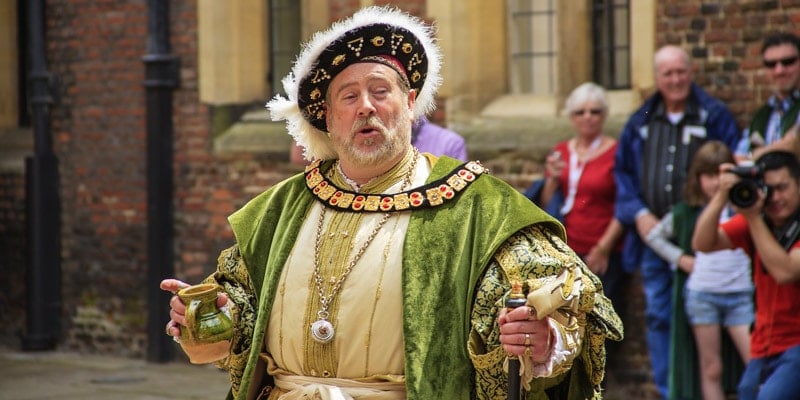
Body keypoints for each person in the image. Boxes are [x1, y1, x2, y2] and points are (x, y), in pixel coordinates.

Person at [161, 6, 623, 400]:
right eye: (349, 96)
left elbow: (569, 301)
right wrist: (206, 317)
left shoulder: (474, 205)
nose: (366, 106)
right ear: (327, 117)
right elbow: (239, 315)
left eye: (380, 91)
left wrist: (543, 340)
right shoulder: (281, 209)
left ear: (410, 103)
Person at [614, 45, 740, 398]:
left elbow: (732, 163)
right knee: (658, 315)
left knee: (705, 316)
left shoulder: (712, 115)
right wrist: (638, 213)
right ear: (657, 78)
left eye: (680, 71)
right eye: (667, 73)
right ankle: (672, 392)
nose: (675, 79)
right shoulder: (641, 119)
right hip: (654, 237)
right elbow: (622, 172)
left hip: (705, 234)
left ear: (691, 72)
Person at [644, 141, 752, 400]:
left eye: (720, 174)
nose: (715, 182)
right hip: (703, 296)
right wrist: (681, 259)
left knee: (755, 362)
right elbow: (654, 236)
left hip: (741, 295)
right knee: (711, 367)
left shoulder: (743, 206)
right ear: (697, 178)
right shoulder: (687, 212)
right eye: (709, 175)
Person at [692, 150, 800, 400]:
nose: (775, 198)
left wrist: (752, 218)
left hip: (796, 345)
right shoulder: (759, 220)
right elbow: (702, 242)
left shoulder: (757, 221)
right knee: (747, 394)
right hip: (764, 345)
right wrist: (721, 195)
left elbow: (785, 272)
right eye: (768, 189)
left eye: (782, 188)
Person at [526, 82, 625, 309]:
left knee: (600, 313)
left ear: (605, 115)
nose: (587, 117)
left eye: (595, 111)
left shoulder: (617, 152)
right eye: (580, 112)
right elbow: (545, 202)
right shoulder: (561, 150)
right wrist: (552, 178)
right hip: (567, 247)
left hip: (601, 247)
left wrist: (603, 248)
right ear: (572, 117)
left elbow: (624, 205)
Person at [292, 115, 467, 164]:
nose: (367, 106)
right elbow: (299, 159)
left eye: (381, 92)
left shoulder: (449, 142)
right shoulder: (347, 137)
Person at [735, 32, 800, 162]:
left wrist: (758, 154)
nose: (779, 71)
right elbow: (739, 157)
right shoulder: (762, 114)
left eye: (788, 62)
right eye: (771, 64)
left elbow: (795, 147)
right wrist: (779, 148)